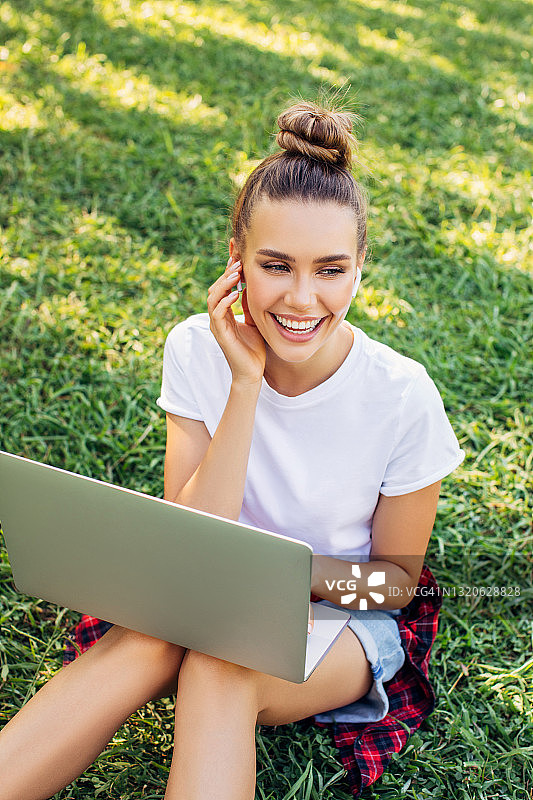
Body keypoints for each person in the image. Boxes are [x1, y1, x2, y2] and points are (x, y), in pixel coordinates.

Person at [0, 98, 464, 800]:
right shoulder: (196, 347)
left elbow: (396, 585)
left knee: (219, 664)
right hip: (197, 590)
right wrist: (243, 387)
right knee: (146, 643)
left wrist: (283, 578)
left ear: (360, 267)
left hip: (336, 617)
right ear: (236, 263)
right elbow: (188, 536)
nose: (302, 299)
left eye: (330, 270)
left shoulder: (401, 394)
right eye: (275, 265)